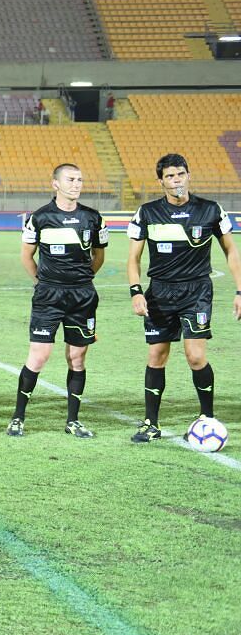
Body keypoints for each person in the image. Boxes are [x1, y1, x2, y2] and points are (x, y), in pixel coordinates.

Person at [126, 153, 240, 443]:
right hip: (160, 293)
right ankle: (151, 423)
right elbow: (133, 258)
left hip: (196, 292)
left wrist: (240, 291)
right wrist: (136, 291)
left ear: (189, 176)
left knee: (196, 356)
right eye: (170, 176)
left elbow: (231, 250)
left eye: (180, 174)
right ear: (161, 181)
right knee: (157, 355)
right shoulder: (147, 212)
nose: (176, 180)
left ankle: (207, 417)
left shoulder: (210, 210)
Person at [8, 164, 107, 437]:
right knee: (38, 356)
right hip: (48, 296)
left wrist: (82, 279)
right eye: (70, 179)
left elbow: (98, 256)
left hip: (82, 296)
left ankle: (73, 421)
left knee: (77, 357)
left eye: (80, 179)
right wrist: (41, 282)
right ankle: (18, 418)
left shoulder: (92, 218)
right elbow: (27, 256)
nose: (76, 184)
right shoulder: (40, 217)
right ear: (55, 184)